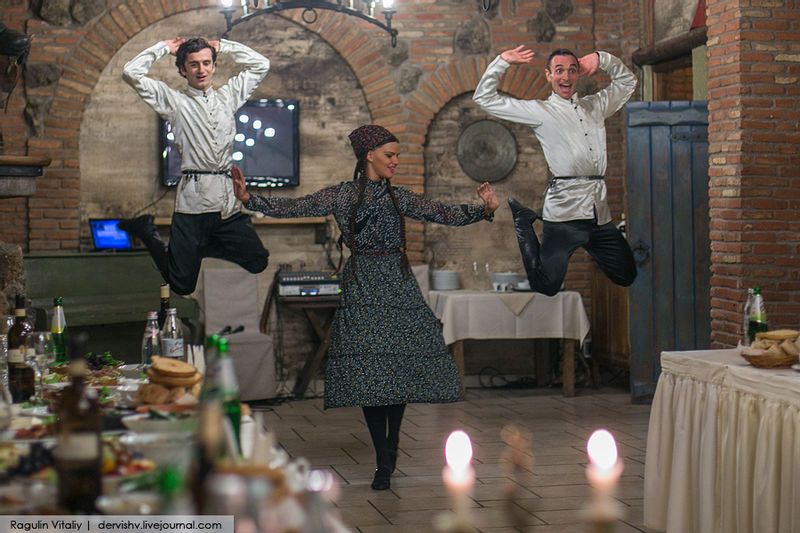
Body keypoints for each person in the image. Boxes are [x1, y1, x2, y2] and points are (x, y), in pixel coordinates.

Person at [232, 124, 499, 490]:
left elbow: (440, 212)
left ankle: (391, 444)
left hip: (398, 285)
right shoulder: (341, 195)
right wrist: (250, 199)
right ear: (369, 155)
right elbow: (297, 205)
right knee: (372, 375)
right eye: (390, 155)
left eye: (398, 155)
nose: (396, 161)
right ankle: (383, 459)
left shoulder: (398, 197)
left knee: (397, 370)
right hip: (362, 286)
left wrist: (484, 210)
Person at [473, 45, 637, 296]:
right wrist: (502, 61)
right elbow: (484, 99)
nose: (566, 76)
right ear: (549, 75)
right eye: (559, 70)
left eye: (572, 70)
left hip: (598, 213)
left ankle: (583, 237)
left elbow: (628, 82)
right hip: (564, 215)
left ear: (579, 74)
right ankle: (523, 220)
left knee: (626, 275)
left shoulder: (596, 106)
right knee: (546, 286)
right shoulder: (541, 111)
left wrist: (601, 58)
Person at [120, 37, 270, 295]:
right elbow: (130, 73)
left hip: (227, 204)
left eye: (206, 63)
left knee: (258, 261)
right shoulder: (173, 101)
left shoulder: (228, 97)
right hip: (192, 205)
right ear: (183, 70)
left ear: (214, 66)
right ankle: (146, 231)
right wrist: (163, 48)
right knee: (181, 286)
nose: (201, 70)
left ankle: (202, 247)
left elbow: (261, 65)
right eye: (193, 64)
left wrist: (224, 45)